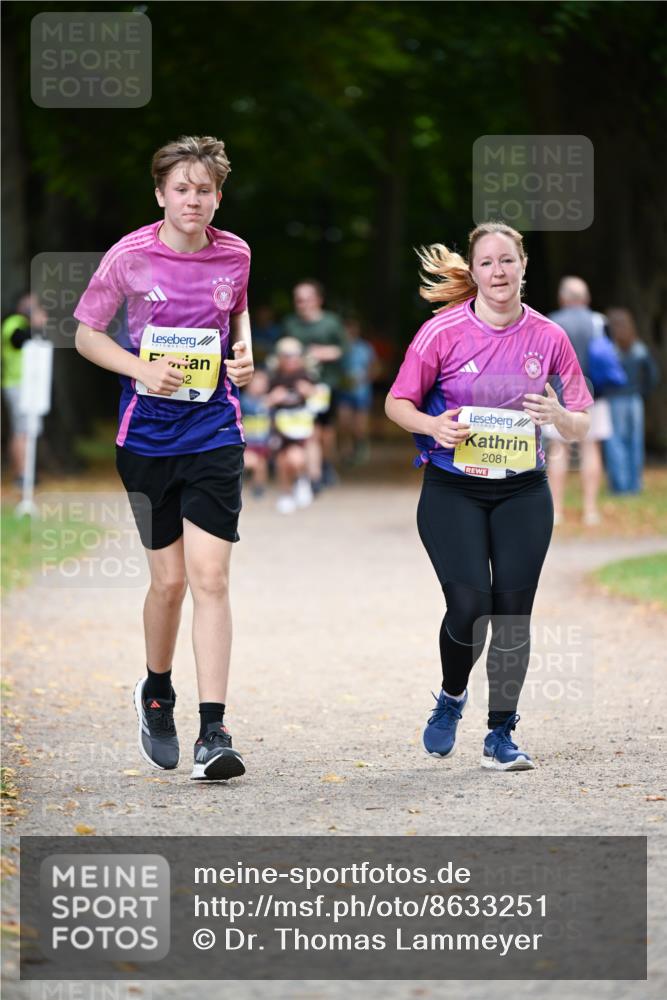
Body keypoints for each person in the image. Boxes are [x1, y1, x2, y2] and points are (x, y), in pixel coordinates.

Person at [74, 135, 253, 781]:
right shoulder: (129, 256)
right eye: (181, 188)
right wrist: (141, 369)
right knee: (170, 583)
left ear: (217, 196)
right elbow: (87, 334)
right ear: (160, 194)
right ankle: (156, 693)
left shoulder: (235, 252)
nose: (193, 200)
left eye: (204, 189)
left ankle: (214, 729)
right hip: (146, 437)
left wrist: (244, 352)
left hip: (213, 431)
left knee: (210, 579)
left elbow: (236, 312)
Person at [385, 222, 593, 771]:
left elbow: (582, 423)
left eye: (507, 261)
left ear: (524, 266)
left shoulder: (549, 337)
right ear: (473, 272)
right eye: (486, 263)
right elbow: (397, 403)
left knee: (513, 615)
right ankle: (452, 697)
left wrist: (560, 417)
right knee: (471, 604)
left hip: (524, 490)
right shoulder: (442, 333)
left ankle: (501, 734)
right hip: (453, 487)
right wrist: (433, 427)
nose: (498, 272)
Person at [546, 277, 614, 525]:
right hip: (594, 394)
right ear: (586, 299)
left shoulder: (552, 322)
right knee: (590, 447)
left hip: (559, 395)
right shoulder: (599, 321)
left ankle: (556, 511)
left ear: (563, 298)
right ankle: (590, 510)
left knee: (558, 449)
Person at [282, 280, 347, 488]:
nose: (303, 304)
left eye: (307, 299)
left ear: (318, 300)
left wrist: (322, 352)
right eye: (299, 300)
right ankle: (313, 473)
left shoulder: (332, 322)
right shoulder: (290, 323)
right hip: (300, 385)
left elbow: (344, 350)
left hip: (327, 384)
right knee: (310, 429)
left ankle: (325, 464)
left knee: (325, 431)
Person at [603, 307, 660, 493]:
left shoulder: (608, 349)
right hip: (635, 400)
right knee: (635, 442)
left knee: (615, 442)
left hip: (613, 400)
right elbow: (653, 375)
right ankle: (634, 485)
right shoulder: (639, 348)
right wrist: (642, 391)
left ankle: (620, 485)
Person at [265, 337, 316, 513]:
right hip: (279, 428)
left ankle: (302, 480)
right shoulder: (272, 378)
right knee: (282, 461)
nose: (291, 359)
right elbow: (257, 404)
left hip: (301, 428)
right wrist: (271, 399)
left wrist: (309, 392)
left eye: (295, 355)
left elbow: (321, 403)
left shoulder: (306, 376)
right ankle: (286, 493)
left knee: (296, 458)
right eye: (286, 355)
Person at [1, 293, 48, 485]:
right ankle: (22, 475)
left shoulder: (21, 322)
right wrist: (37, 325)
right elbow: (18, 339)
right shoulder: (14, 321)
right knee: (21, 431)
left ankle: (26, 473)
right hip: (17, 384)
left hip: (26, 386)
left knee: (27, 431)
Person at [338, 316, 378, 465]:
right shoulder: (340, 348)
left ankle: (360, 445)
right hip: (344, 391)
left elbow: (375, 367)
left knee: (359, 426)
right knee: (344, 424)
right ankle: (346, 452)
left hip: (362, 392)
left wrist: (365, 378)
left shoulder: (365, 348)